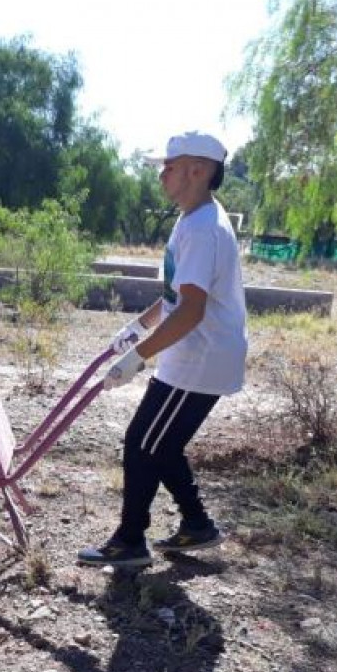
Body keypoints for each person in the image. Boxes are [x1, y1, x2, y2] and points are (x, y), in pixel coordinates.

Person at [78, 131, 247, 569]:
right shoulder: (191, 219)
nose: (162, 175)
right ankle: (197, 525)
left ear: (198, 170)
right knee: (161, 444)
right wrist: (138, 327)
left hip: (199, 358)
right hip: (190, 353)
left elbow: (191, 311)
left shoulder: (205, 229)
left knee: (141, 444)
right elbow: (176, 295)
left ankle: (130, 541)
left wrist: (137, 358)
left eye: (169, 167)